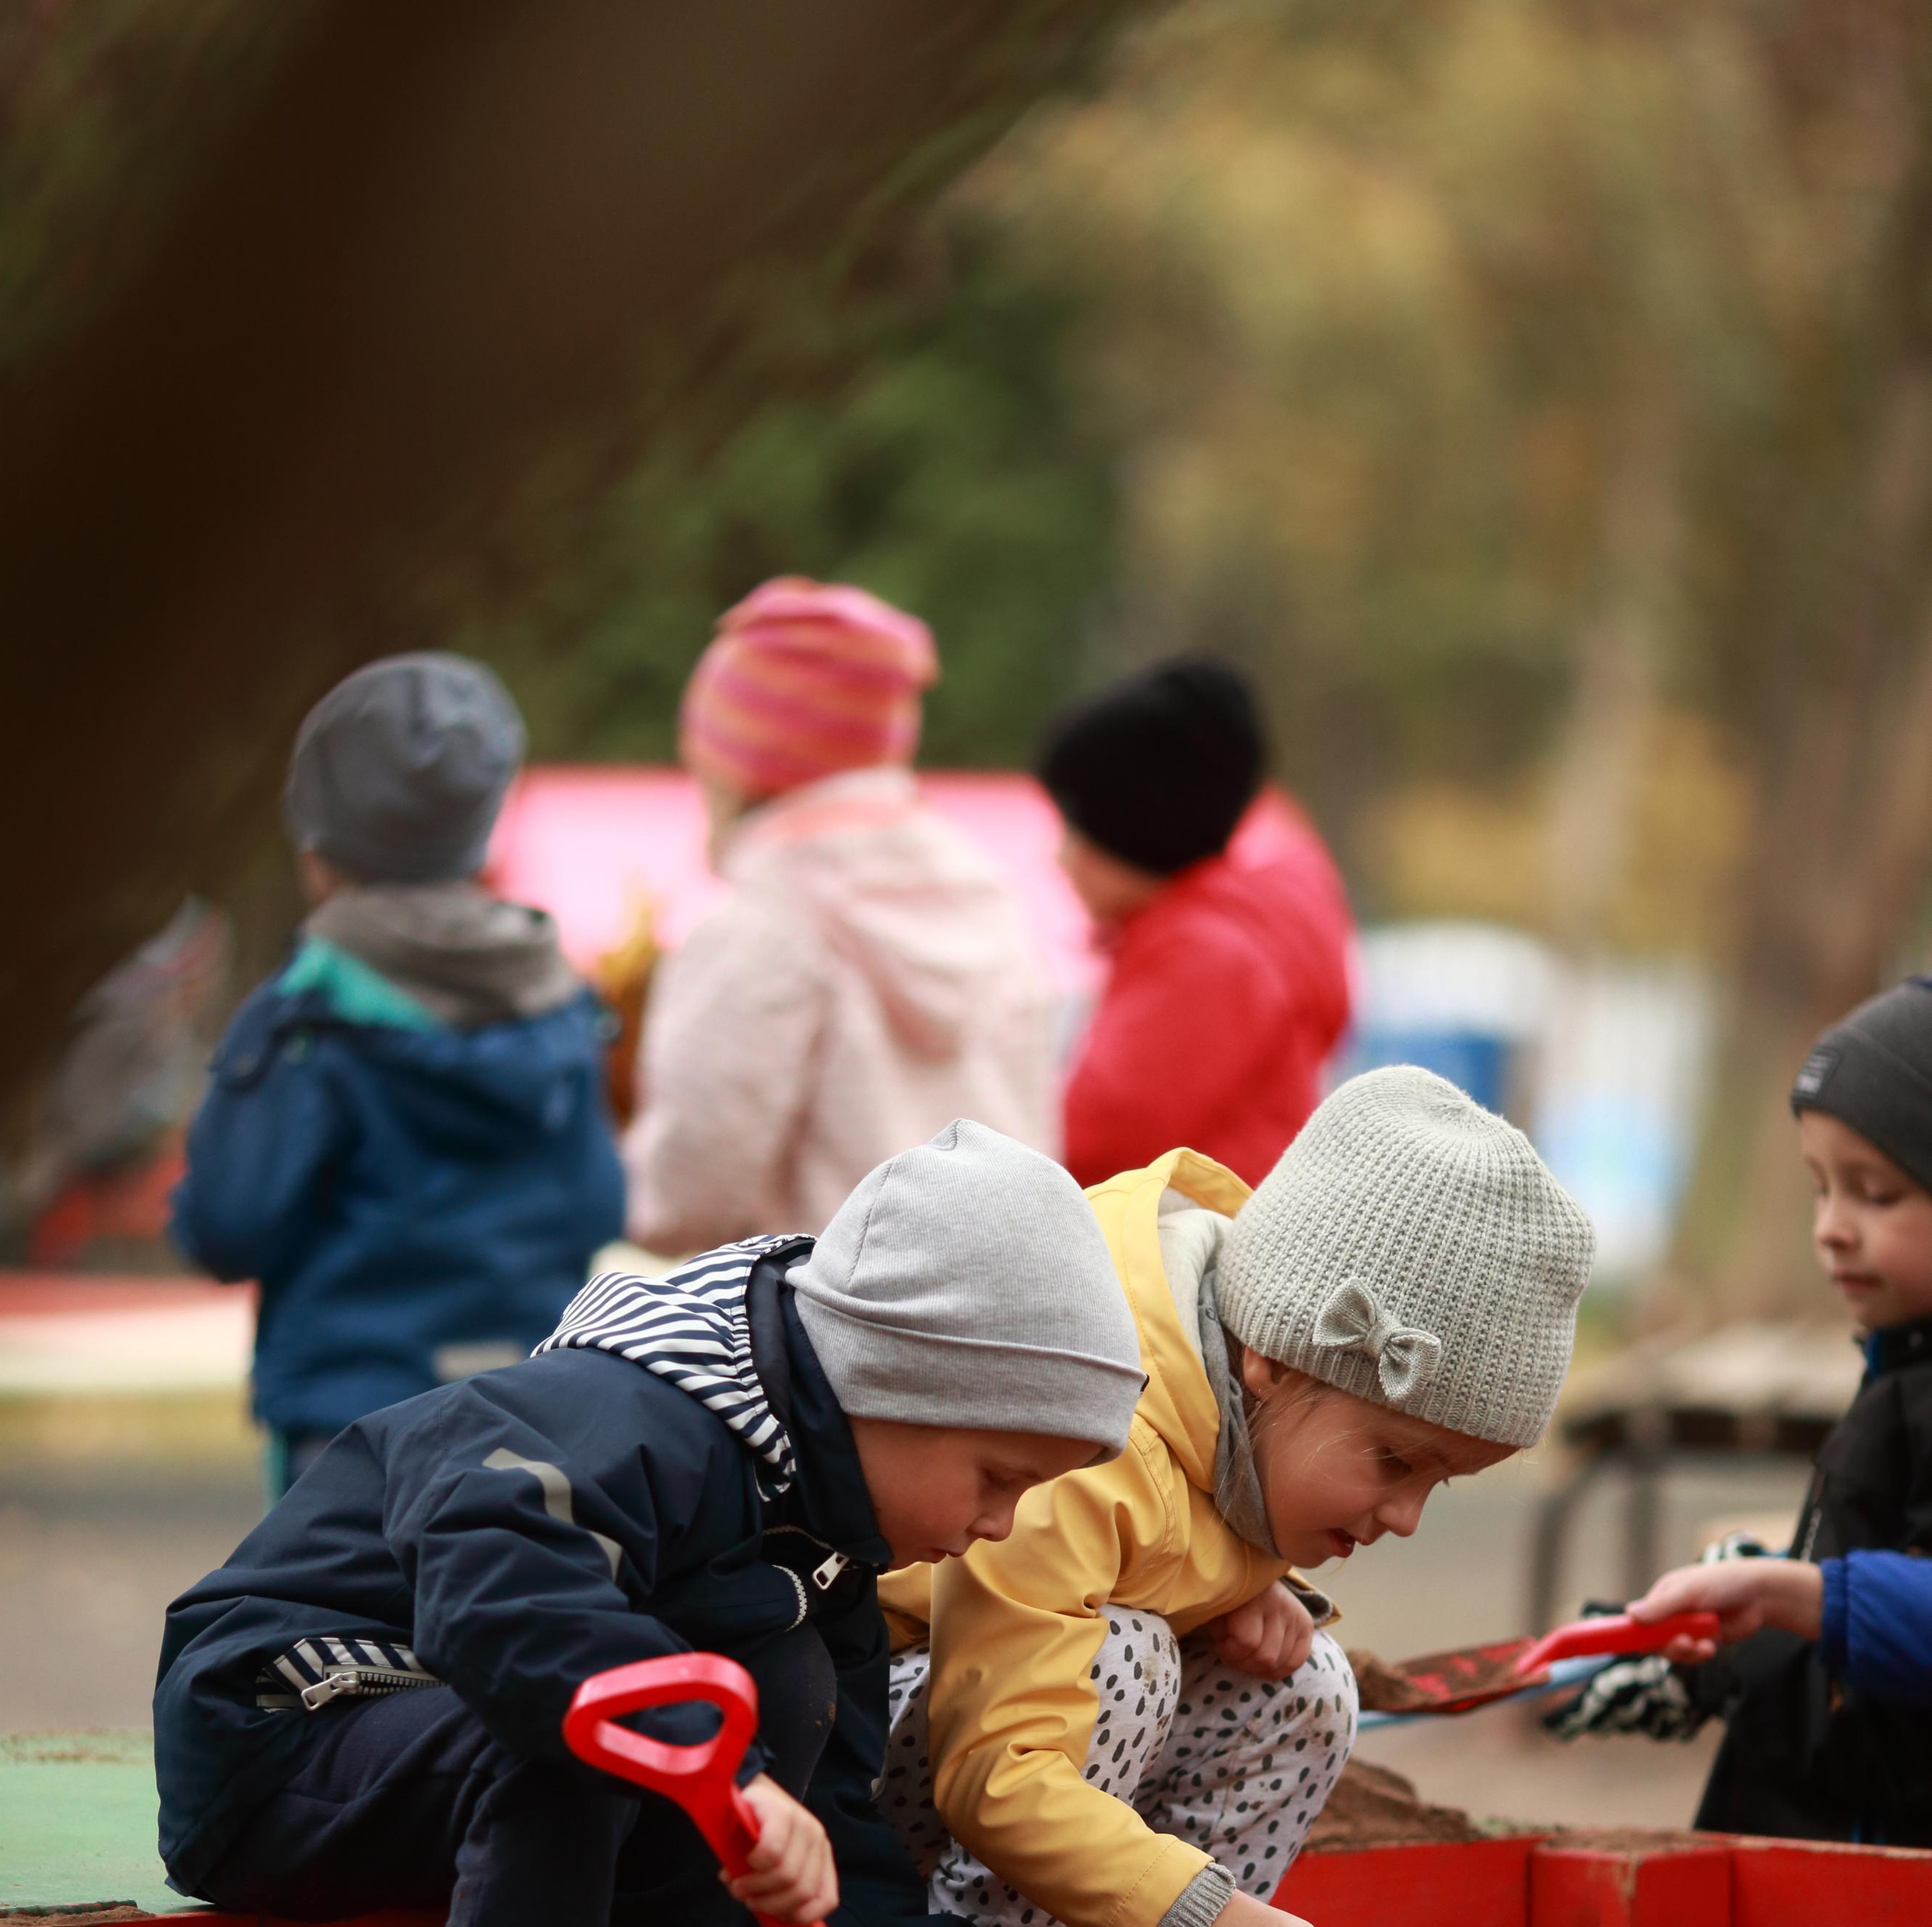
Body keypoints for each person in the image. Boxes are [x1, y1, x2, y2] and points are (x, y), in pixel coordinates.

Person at [154, 1121, 1148, 1927]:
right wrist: (724, 1770)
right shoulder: (627, 1414)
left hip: (438, 1741)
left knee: (783, 1683)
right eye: (997, 1477)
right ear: (892, 1384)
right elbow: (503, 1600)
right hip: (284, 1728)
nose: (999, 1526)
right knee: (604, 1724)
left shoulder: (821, 1550)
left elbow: (838, 1847)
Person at [881, 1068, 1593, 1927]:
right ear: (1272, 1359)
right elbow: (997, 1769)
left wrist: (1248, 1591)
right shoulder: (1091, 1436)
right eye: (1396, 1461)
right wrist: (1205, 1912)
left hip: (997, 1749)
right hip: (871, 1745)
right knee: (1124, 1658)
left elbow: (1207, 1508)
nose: (1404, 1517)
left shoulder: (1242, 1409)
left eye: (1440, 1482)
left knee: (1306, 1685)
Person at [172, 653, 623, 1493]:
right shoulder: (559, 998)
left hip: (351, 1427)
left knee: (340, 1589)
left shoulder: (305, 1013)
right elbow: (600, 1203)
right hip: (527, 1411)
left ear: (319, 849)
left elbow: (230, 1225)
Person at [1549, 979, 1932, 1845]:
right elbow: (1849, 1646)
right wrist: (1721, 1653)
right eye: (1821, 1189)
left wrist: (1786, 1603)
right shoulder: (1895, 1373)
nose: (1832, 1228)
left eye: (1875, 1193)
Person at [625, 577, 1055, 1252]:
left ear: (742, 768)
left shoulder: (763, 928)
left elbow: (685, 1202)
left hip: (827, 1310)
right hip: (1006, 1297)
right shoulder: (988, 897)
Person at [1040, 655, 1356, 1190]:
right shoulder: (1237, 932)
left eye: (1078, 827)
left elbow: (1087, 1142)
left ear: (1138, 830)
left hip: (1193, 1240)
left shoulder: (1203, 958)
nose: (1061, 857)